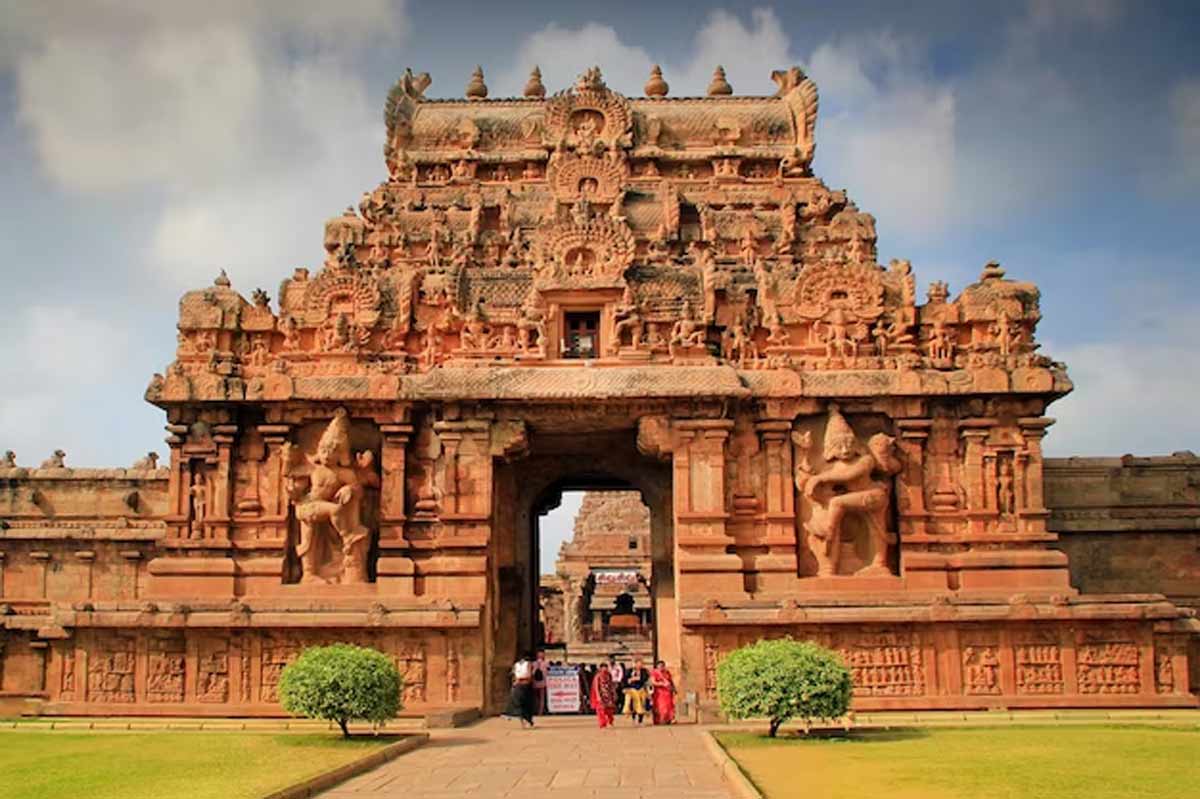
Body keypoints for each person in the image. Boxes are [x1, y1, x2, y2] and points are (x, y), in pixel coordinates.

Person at [505, 652, 536, 728]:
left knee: (526, 703)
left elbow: (528, 676)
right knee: (519, 703)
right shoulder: (518, 665)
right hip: (520, 685)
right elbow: (516, 675)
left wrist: (519, 679)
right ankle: (523, 721)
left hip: (525, 685)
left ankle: (527, 720)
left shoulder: (527, 664)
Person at [623, 658, 650, 724]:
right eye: (637, 663)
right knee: (632, 704)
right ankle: (634, 718)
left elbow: (644, 679)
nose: (638, 665)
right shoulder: (629, 671)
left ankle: (640, 720)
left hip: (641, 689)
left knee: (641, 704)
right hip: (632, 689)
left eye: (640, 663)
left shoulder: (644, 671)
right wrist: (625, 687)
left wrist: (635, 679)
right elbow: (624, 679)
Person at [590, 661, 617, 728]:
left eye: (606, 667)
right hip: (601, 695)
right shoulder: (598, 676)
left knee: (609, 710)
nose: (605, 669)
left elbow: (611, 685)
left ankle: (610, 721)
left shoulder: (609, 675)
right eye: (603, 668)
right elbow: (596, 687)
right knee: (600, 710)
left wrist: (614, 693)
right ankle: (603, 723)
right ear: (600, 668)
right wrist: (598, 696)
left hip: (608, 695)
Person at [651, 660, 677, 725]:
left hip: (667, 692)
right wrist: (661, 684)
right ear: (657, 666)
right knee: (661, 706)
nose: (661, 667)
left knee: (669, 706)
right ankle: (661, 720)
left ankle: (670, 719)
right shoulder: (655, 673)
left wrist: (674, 688)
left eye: (662, 666)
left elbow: (670, 681)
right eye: (659, 666)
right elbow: (653, 682)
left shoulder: (667, 672)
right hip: (659, 692)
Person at [533, 649, 549, 715]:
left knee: (535, 698)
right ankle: (540, 711)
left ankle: (536, 710)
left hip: (535, 683)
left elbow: (532, 673)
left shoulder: (534, 663)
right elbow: (548, 673)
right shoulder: (546, 664)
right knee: (542, 698)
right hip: (543, 683)